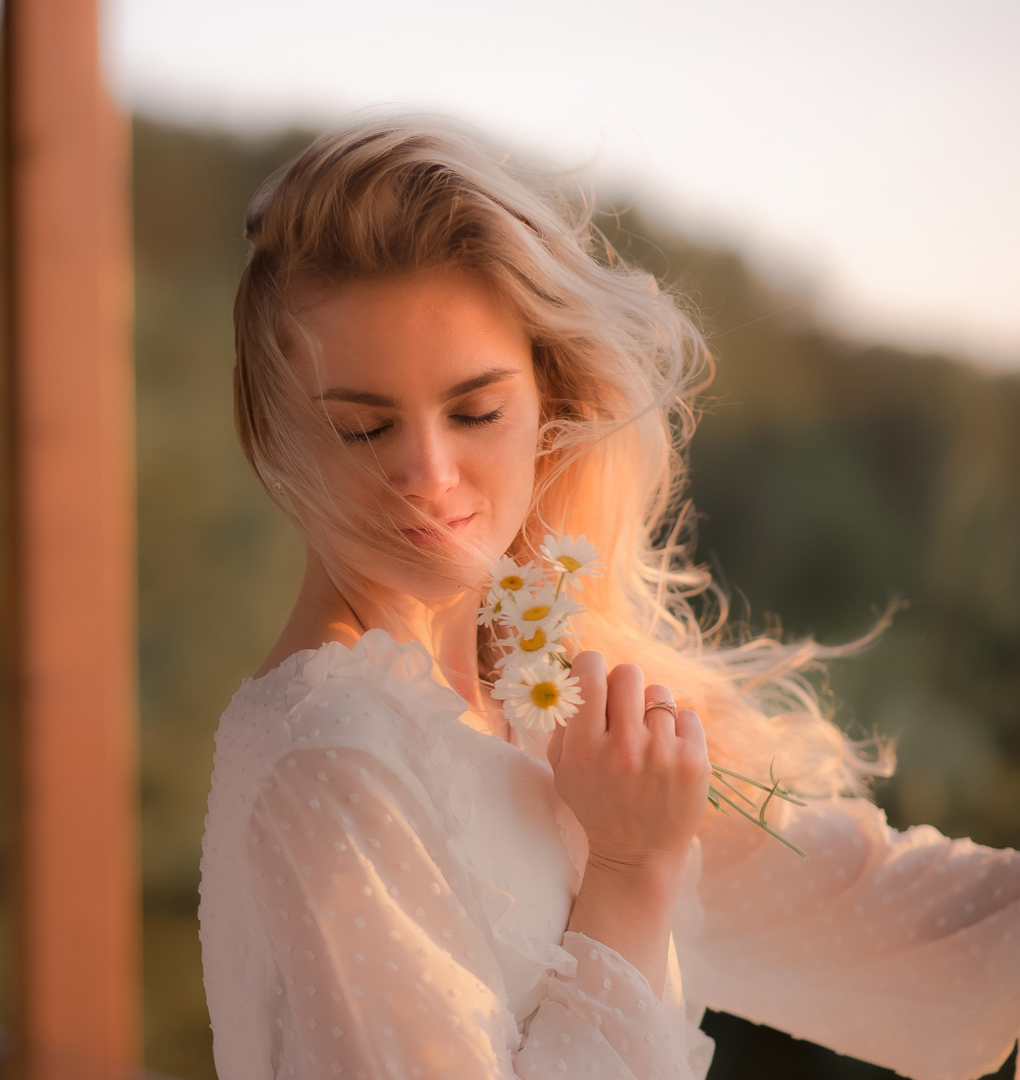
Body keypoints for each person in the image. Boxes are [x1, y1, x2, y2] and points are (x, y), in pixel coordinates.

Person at [197, 116, 1020, 1080]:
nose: (428, 471)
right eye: (364, 429)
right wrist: (629, 877)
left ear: (548, 402)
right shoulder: (329, 760)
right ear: (274, 438)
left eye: (474, 412)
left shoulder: (541, 705)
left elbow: (907, 931)